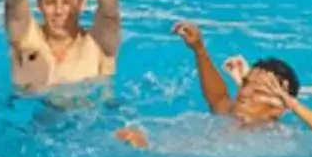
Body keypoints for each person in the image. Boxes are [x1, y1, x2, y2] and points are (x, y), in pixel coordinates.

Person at [114, 21, 299, 149]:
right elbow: (218, 98)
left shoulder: (278, 142)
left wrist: (147, 148)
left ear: (278, 108)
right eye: (245, 83)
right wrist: (199, 49)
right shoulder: (235, 116)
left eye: (257, 90)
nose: (244, 92)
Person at [5, 0, 121, 93]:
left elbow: (109, 14)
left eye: (66, 2)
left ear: (81, 4)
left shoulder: (98, 46)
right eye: (51, 3)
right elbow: (14, 6)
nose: (59, 11)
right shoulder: (27, 42)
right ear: (39, 4)